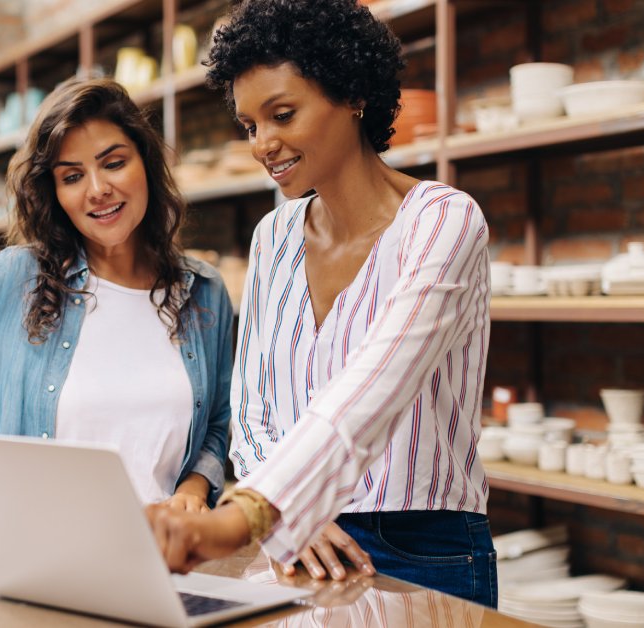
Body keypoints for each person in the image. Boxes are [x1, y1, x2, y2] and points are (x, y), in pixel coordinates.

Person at [145, 0, 496, 607]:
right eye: (250, 125)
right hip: (290, 545)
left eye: (282, 115)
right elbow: (252, 405)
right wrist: (288, 516)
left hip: (423, 547)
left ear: (352, 93)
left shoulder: (443, 222)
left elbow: (376, 385)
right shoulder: (273, 236)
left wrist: (253, 512)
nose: (263, 144)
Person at [0, 78, 234, 511]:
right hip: (41, 550)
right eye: (73, 176)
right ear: (55, 194)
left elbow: (216, 419)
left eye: (114, 163)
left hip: (170, 557)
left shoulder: (203, 290)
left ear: (146, 164)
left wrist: (194, 488)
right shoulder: (17, 279)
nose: (97, 189)